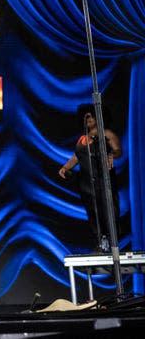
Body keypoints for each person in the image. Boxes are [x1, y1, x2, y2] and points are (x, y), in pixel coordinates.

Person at [58, 104, 122, 253]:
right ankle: (101, 240)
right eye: (85, 117)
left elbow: (118, 150)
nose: (88, 119)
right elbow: (76, 157)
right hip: (86, 182)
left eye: (91, 116)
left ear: (98, 117)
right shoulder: (82, 139)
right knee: (93, 211)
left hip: (103, 179)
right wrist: (66, 167)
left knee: (107, 209)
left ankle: (112, 241)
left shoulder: (107, 134)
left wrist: (112, 155)